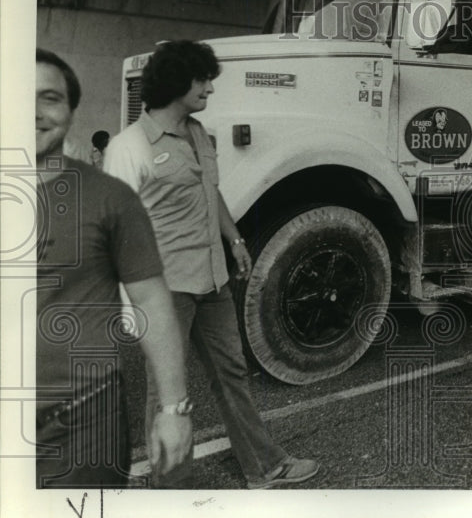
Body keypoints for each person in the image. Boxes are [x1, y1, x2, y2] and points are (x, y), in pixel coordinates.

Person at [104, 40, 319, 489]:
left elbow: (211, 191)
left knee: (232, 374)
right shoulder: (130, 146)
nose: (209, 89)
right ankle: (170, 490)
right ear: (176, 81)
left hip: (213, 281)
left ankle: (264, 467)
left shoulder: (199, 132)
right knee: (167, 395)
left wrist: (233, 238)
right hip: (164, 290)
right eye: (202, 80)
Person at [35, 48, 192, 488]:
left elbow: (152, 302)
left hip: (83, 422)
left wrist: (173, 410)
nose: (32, 111)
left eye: (49, 97)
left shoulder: (110, 199)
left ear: (70, 111)